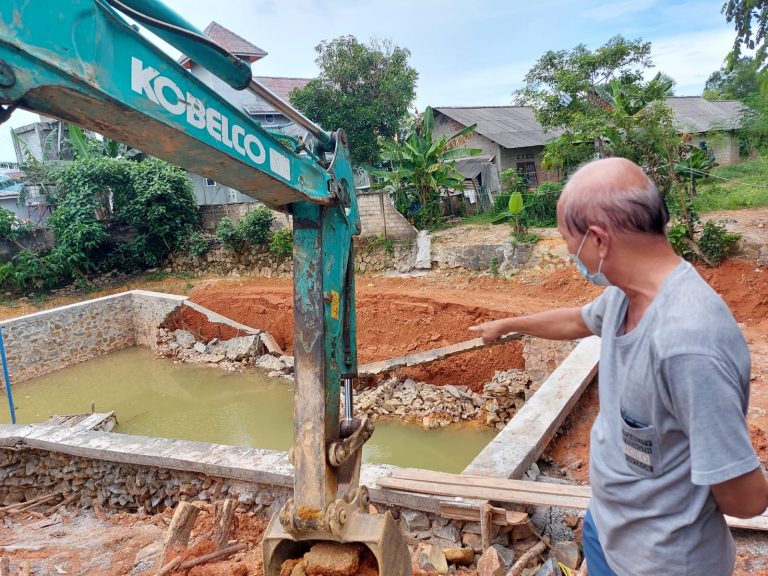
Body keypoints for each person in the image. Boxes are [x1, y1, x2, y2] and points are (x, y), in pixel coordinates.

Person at [469, 157, 768, 576]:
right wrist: (508, 324)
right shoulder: (624, 297)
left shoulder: (688, 343)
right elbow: (576, 319)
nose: (571, 254)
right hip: (607, 530)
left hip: (661, 563)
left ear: (598, 240)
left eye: (568, 242)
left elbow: (746, 500)